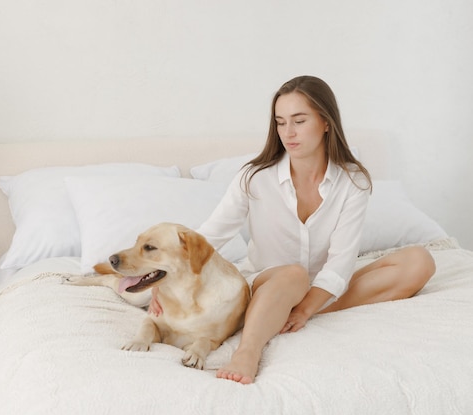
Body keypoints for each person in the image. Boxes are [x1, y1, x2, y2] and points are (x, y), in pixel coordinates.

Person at [150, 75, 436, 384]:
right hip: (269, 285)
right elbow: (209, 236)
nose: (288, 133)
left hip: (324, 291)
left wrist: (304, 310)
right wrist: (163, 278)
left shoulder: (353, 181)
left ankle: (281, 313)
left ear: (326, 122)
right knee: (293, 274)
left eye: (299, 121)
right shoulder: (254, 177)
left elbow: (341, 260)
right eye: (280, 122)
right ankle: (248, 349)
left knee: (421, 261)